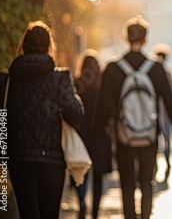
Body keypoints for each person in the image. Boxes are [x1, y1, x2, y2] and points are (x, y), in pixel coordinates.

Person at [0, 21, 84, 219]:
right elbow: (76, 115)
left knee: (28, 214)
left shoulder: (5, 81)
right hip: (52, 161)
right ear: (48, 46)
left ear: (23, 45)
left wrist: (0, 155)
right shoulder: (60, 78)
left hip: (19, 160)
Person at [94, 16, 172, 219]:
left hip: (123, 132)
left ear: (126, 38)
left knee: (127, 182)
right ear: (145, 40)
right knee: (146, 181)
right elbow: (170, 104)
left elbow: (103, 107)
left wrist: (96, 134)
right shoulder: (157, 68)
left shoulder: (113, 68)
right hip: (149, 133)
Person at [73, 49, 112, 219]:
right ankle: (95, 212)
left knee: (80, 174)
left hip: (82, 136)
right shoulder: (102, 87)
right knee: (98, 178)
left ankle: (81, 202)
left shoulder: (76, 84)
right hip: (100, 136)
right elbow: (109, 110)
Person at [151, 43, 172, 186]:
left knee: (156, 141)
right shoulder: (170, 73)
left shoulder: (152, 71)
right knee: (166, 140)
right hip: (167, 114)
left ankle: (157, 168)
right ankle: (167, 166)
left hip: (154, 113)